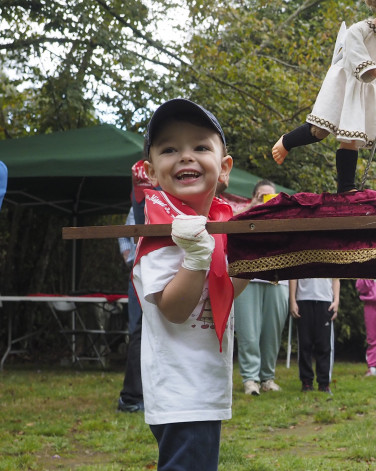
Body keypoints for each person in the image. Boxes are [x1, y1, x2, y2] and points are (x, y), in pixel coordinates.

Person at [134, 98, 250, 469]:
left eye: (200, 147)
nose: (186, 156)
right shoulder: (158, 235)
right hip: (180, 391)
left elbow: (222, 292)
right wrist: (197, 256)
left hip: (202, 385)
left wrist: (260, 256)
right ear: (151, 172)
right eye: (170, 149)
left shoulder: (217, 227)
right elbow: (175, 308)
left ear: (225, 167)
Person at [270, 0, 376, 193]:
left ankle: (345, 187)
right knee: (320, 130)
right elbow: (355, 54)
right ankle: (287, 141)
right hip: (344, 84)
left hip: (363, 90)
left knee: (351, 138)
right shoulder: (359, 29)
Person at [235, 180, 289, 396]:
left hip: (277, 280)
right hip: (248, 280)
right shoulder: (244, 215)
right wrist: (253, 207)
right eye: (262, 195)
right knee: (248, 333)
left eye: (270, 196)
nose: (266, 199)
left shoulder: (282, 218)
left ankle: (267, 378)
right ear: (254, 196)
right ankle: (250, 379)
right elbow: (230, 224)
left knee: (272, 334)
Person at [116, 160, 154, 413]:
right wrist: (132, 257)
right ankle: (132, 397)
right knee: (141, 330)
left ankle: (142, 394)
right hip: (146, 267)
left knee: (147, 330)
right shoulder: (143, 172)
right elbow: (130, 226)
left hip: (156, 266)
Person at [289, 278, 340, 394]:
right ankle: (306, 382)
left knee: (324, 345)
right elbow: (293, 277)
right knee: (304, 344)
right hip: (303, 299)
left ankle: (324, 383)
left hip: (325, 301)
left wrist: (336, 300)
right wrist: (292, 300)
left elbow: (336, 279)